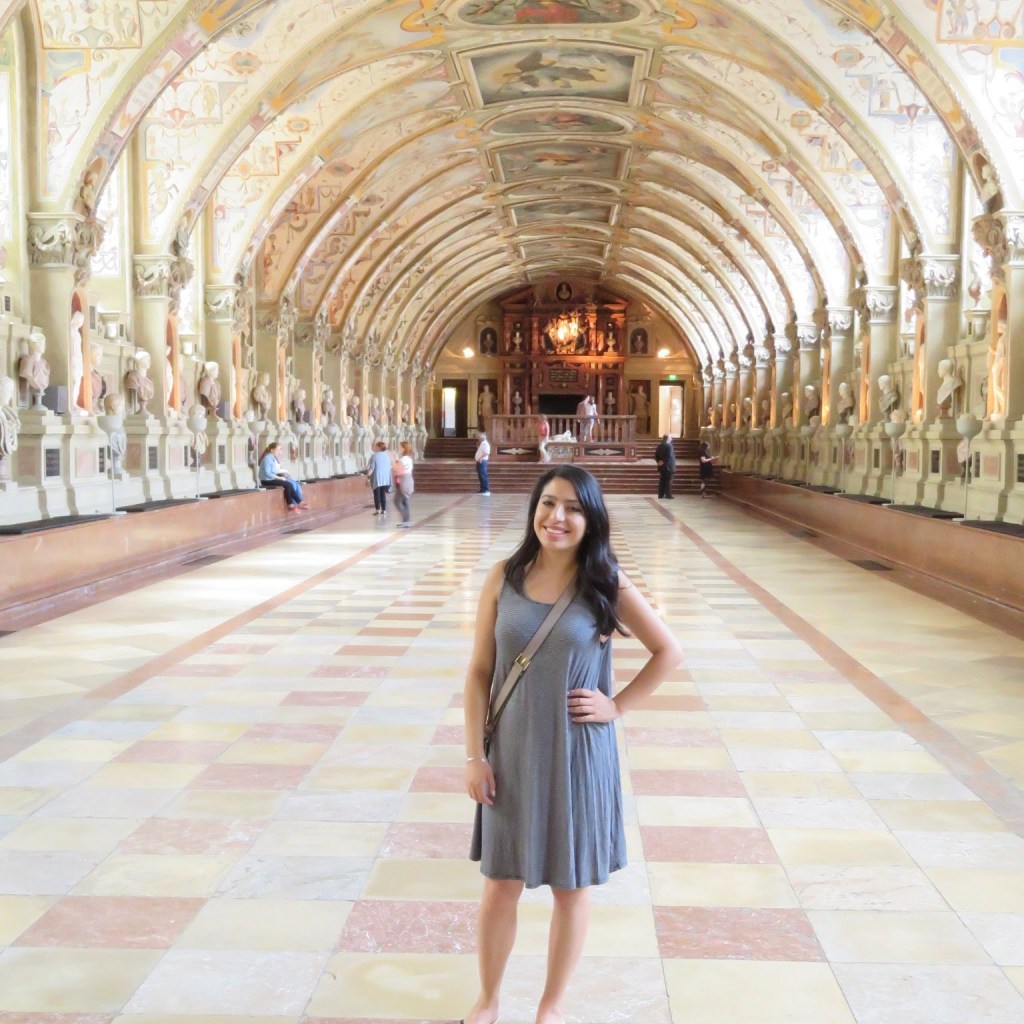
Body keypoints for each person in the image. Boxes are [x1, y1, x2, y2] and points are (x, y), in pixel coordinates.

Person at [461, 466, 682, 1024]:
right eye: (547, 504)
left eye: (572, 508)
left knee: (571, 885)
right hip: (511, 752)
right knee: (500, 884)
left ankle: (551, 1008)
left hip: (579, 754)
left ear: (591, 518)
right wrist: (473, 755)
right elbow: (478, 673)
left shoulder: (605, 582)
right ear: (534, 508)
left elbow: (668, 651)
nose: (556, 518)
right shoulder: (502, 578)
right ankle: (487, 1002)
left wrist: (617, 706)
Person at [258, 442, 307, 512]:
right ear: (272, 450)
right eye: (278, 449)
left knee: (289, 484)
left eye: (280, 449)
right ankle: (293, 503)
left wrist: (286, 472)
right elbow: (268, 473)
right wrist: (280, 478)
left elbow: (276, 470)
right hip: (266, 480)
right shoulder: (267, 458)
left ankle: (296, 502)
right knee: (288, 484)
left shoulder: (273, 458)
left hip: (271, 479)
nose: (279, 451)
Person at [365, 440, 392, 516]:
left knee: (376, 494)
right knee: (383, 494)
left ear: (379, 447)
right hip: (385, 478)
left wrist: (368, 476)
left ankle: (378, 509)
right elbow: (389, 466)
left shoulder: (375, 456)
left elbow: (372, 467)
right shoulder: (387, 456)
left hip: (377, 478)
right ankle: (384, 509)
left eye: (376, 446)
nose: (374, 447)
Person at [392, 440, 414, 529]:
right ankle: (406, 520)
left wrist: (393, 460)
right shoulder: (408, 458)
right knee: (403, 501)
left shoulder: (403, 459)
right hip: (405, 480)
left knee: (398, 501)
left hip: (404, 481)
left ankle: (406, 520)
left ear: (404, 448)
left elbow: (396, 468)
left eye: (400, 447)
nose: (399, 448)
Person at [655, 433, 676, 499]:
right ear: (667, 438)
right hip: (669, 466)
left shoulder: (659, 445)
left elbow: (656, 455)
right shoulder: (669, 446)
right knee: (668, 480)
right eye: (670, 437)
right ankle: (668, 494)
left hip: (661, 466)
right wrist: (663, 461)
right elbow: (669, 456)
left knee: (662, 480)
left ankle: (660, 495)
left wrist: (659, 461)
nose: (671, 439)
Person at [475, 430, 491, 495]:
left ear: (482, 438)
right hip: (479, 461)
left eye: (479, 438)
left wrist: (481, 458)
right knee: (481, 476)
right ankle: (482, 489)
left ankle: (485, 490)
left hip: (482, 461)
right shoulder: (482, 444)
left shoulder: (485, 444)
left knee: (483, 475)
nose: (478, 439)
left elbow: (487, 453)